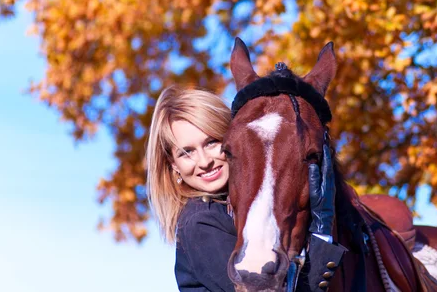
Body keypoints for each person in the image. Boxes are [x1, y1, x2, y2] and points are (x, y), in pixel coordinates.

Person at [146, 86, 346, 292]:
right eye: (186, 152)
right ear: (173, 165)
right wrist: (322, 232)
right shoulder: (200, 223)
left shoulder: (245, 208)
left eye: (212, 142)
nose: (204, 161)